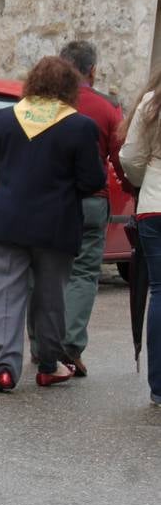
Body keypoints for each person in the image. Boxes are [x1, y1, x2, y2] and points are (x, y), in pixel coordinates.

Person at [0, 56, 104, 392]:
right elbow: (92, 180)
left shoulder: (4, 119)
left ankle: (3, 367)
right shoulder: (81, 126)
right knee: (50, 298)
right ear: (70, 89)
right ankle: (48, 365)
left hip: (7, 222)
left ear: (31, 83)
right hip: (56, 225)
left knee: (2, 294)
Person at [51, 40, 123, 376]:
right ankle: (69, 345)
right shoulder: (108, 108)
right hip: (92, 200)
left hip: (48, 199)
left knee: (46, 270)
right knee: (83, 273)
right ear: (92, 70)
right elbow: (122, 156)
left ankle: (42, 345)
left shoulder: (43, 103)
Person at [116, 66, 161, 405]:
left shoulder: (151, 102)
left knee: (159, 291)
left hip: (155, 204)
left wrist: (144, 179)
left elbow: (130, 157)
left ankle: (159, 386)